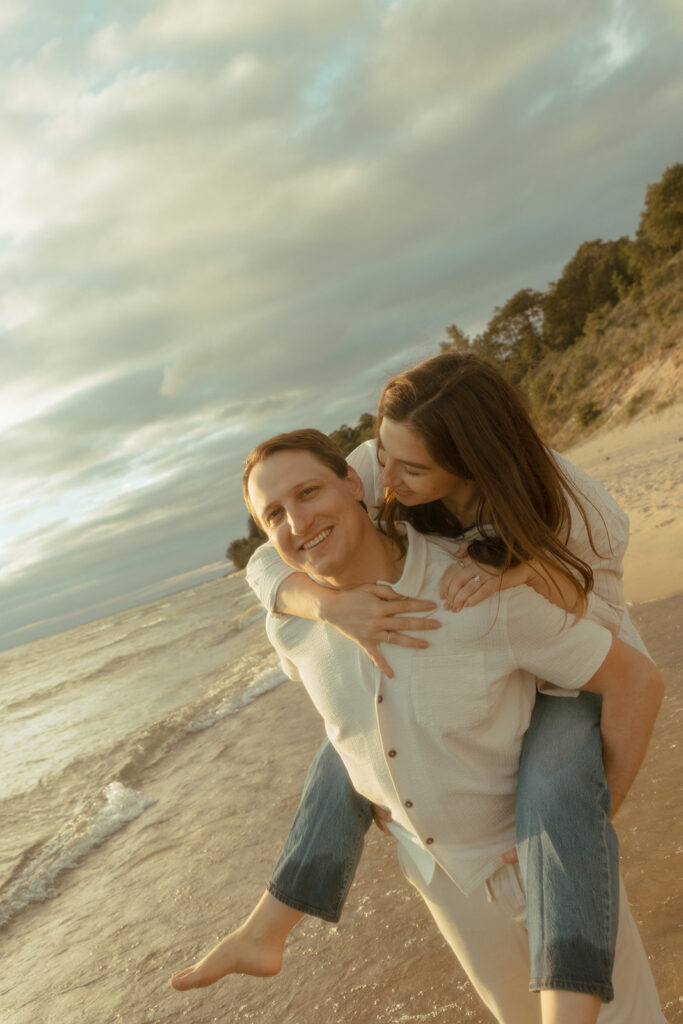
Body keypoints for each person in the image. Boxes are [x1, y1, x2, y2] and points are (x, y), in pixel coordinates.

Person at [170, 355, 655, 1022]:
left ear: (470, 463)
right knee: (347, 749)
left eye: (308, 495)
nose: (389, 484)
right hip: (442, 873)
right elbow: (271, 557)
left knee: (558, 794)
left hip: (575, 633)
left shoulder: (561, 525)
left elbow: (614, 646)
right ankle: (271, 921)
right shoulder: (379, 467)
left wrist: (511, 569)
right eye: (273, 512)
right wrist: (328, 608)